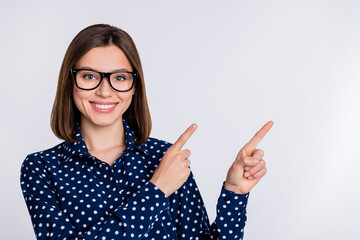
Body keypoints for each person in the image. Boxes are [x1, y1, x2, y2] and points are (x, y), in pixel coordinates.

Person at [20, 23, 273, 240]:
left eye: (119, 78)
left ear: (134, 87)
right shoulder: (41, 168)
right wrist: (157, 189)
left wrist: (234, 193)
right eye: (89, 76)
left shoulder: (167, 157)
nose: (105, 91)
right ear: (70, 82)